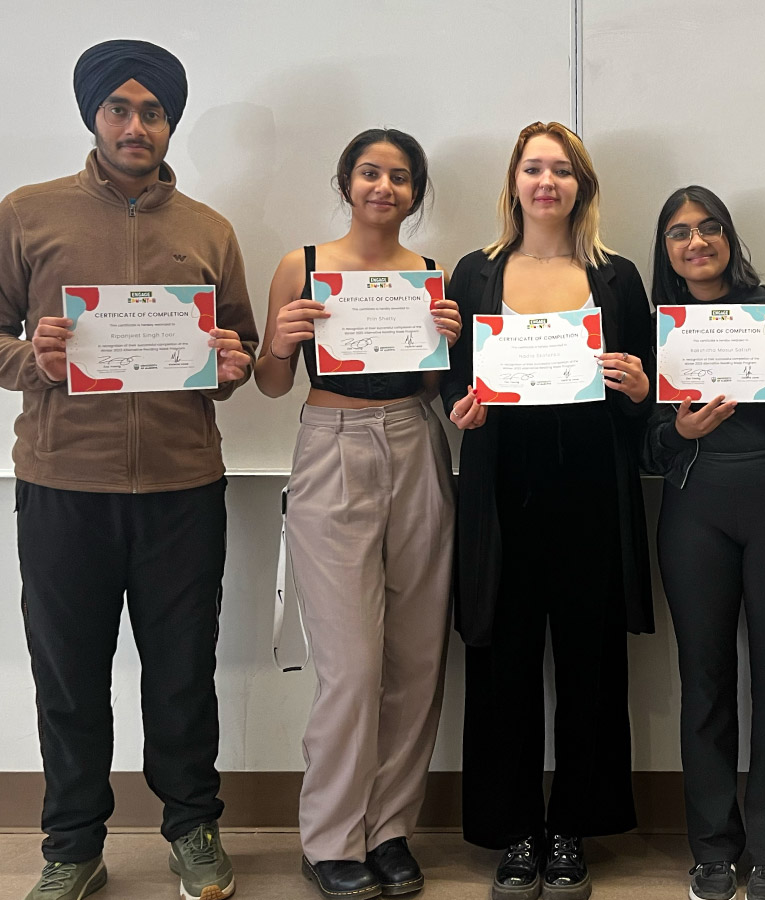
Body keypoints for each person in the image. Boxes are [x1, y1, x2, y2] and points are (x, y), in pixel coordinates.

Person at [0, 39, 257, 900]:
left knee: (183, 675)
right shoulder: (27, 214)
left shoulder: (209, 230)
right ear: (94, 116)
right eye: (120, 109)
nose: (136, 125)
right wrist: (32, 363)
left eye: (152, 111)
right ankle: (73, 845)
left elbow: (236, 347)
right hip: (61, 490)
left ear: (170, 124)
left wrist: (232, 367)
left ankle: (193, 827)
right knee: (69, 676)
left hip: (183, 490)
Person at [439, 122, 654, 900]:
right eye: (534, 168)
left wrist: (637, 389)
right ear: (514, 183)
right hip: (500, 492)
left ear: (581, 186)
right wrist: (457, 407)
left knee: (591, 667)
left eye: (562, 170)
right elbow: (452, 382)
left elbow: (645, 396)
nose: (547, 182)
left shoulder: (618, 276)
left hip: (592, 493)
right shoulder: (475, 271)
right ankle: (515, 833)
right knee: (501, 663)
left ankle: (573, 828)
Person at [253, 128, 461, 900]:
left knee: (415, 657)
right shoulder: (299, 266)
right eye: (370, 173)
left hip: (416, 441)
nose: (384, 187)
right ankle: (332, 837)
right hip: (330, 442)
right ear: (346, 182)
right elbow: (272, 386)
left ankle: (391, 830)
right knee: (351, 665)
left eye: (400, 177)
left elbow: (439, 389)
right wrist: (276, 342)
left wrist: (449, 346)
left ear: (415, 193)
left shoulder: (430, 276)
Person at [641, 186, 765, 900]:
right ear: (665, 249)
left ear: (729, 236)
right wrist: (677, 432)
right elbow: (645, 447)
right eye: (680, 232)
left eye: (709, 227)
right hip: (696, 509)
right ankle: (713, 850)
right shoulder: (656, 323)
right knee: (705, 682)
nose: (697, 242)